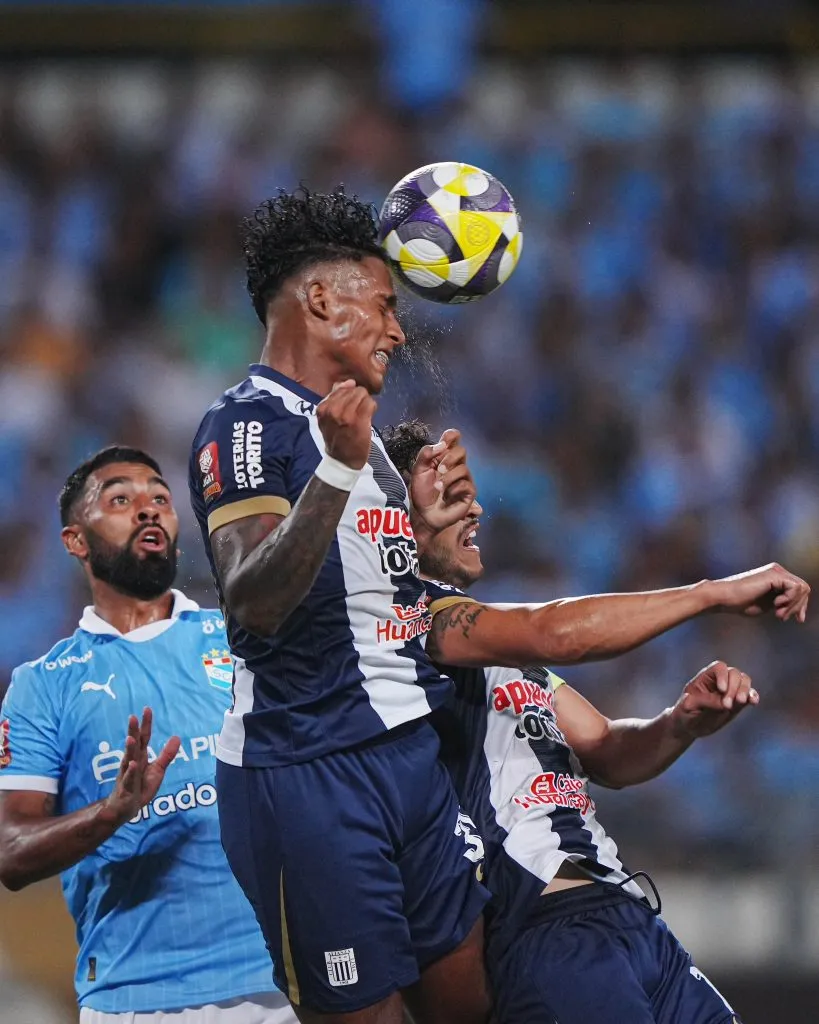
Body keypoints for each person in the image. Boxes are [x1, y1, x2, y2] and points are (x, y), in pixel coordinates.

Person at [383, 419, 811, 1024]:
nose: (475, 506)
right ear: (394, 522)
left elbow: (606, 749)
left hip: (630, 921)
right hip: (545, 934)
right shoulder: (406, 623)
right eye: (451, 495)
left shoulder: (501, 654)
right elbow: (557, 632)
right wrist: (711, 593)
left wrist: (681, 722)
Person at [188, 187, 491, 1024]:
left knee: (472, 1003)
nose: (398, 330)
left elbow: (369, 596)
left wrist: (429, 548)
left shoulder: (361, 436)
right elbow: (253, 599)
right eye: (386, 305)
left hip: (409, 758)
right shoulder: (244, 427)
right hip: (309, 774)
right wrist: (332, 469)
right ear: (322, 301)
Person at [0, 446, 297, 1024]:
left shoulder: (244, 643)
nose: (148, 509)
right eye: (120, 499)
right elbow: (9, 853)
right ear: (75, 541)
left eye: (160, 498)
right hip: (136, 997)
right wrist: (110, 813)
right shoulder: (41, 687)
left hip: (280, 983)